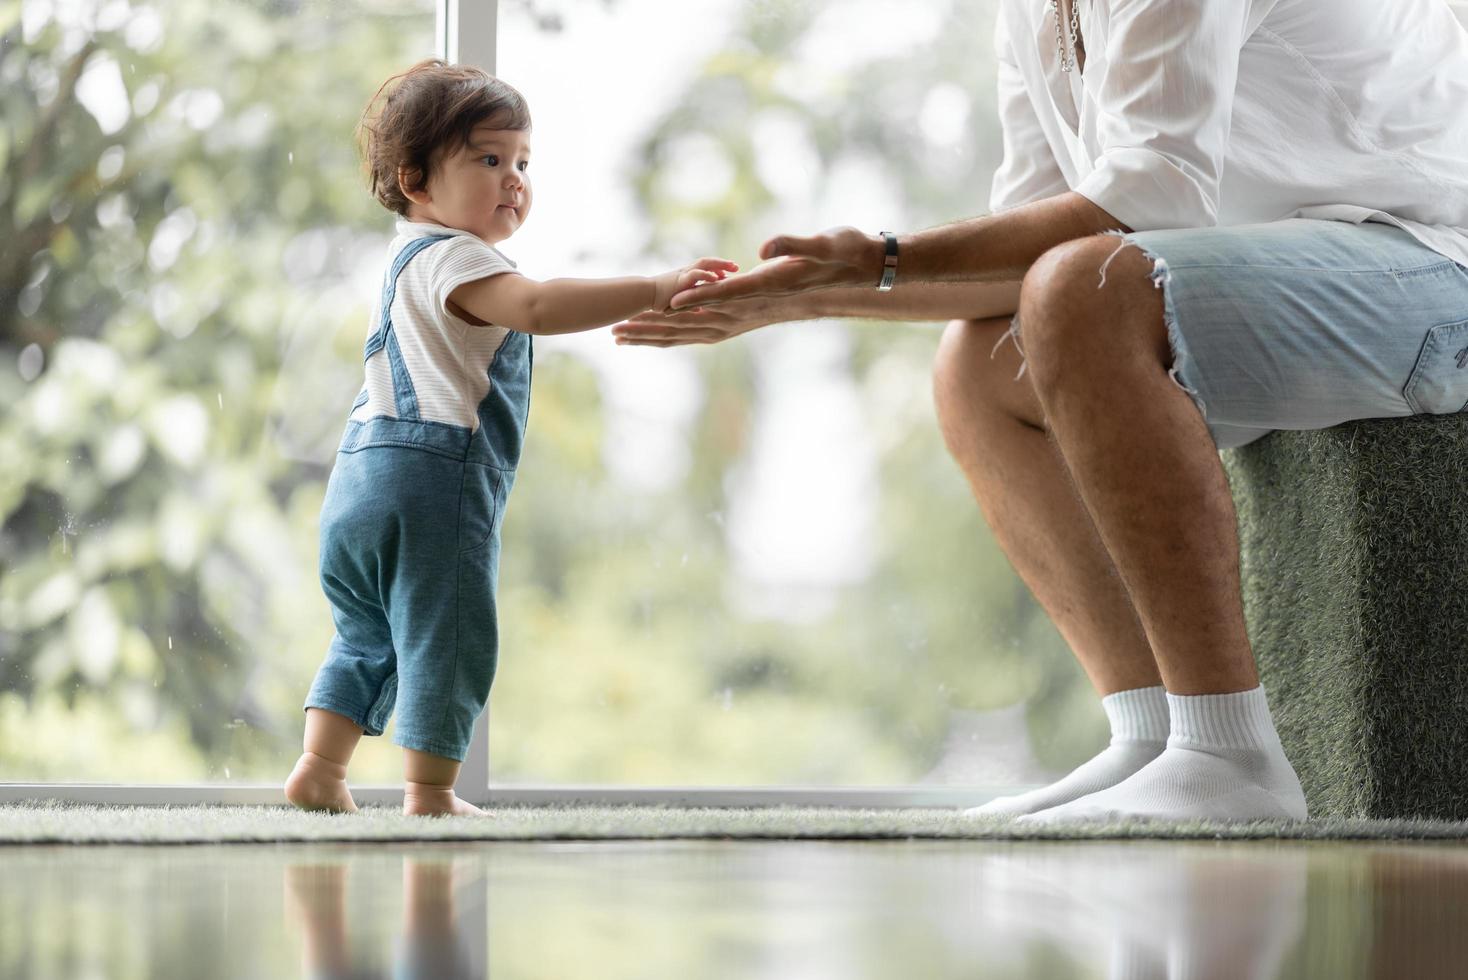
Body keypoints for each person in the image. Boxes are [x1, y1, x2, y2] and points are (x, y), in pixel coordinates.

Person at [614, 0, 1468, 823]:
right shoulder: (1028, 13)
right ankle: (1153, 735)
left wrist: (879, 257)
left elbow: (1147, 202)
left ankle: (1228, 755)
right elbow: (1021, 262)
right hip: (1280, 282)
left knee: (1079, 292)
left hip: (1430, 267)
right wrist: (805, 298)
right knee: (977, 362)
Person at [284, 60, 735, 817]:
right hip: (433, 478)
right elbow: (536, 304)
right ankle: (429, 793)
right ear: (418, 181)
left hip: (359, 478)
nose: (514, 179)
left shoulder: (403, 257)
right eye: (489, 160)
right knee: (447, 635)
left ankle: (319, 769)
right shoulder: (461, 257)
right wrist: (656, 287)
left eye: (523, 161)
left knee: (366, 634)